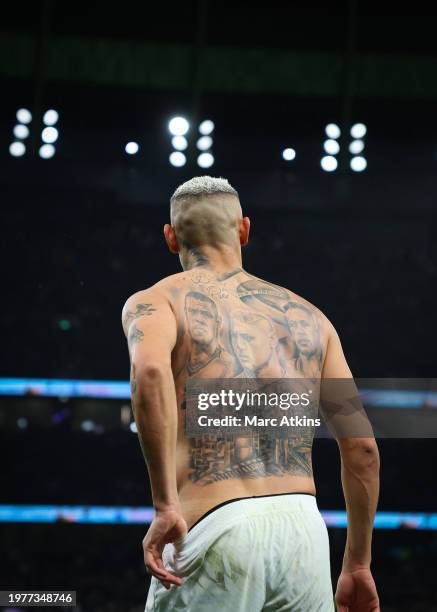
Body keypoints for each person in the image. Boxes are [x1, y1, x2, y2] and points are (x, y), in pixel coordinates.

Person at [121, 176, 380, 611]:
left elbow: (148, 372)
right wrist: (357, 564)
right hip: (304, 532)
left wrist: (165, 503)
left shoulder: (158, 300)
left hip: (215, 522)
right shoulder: (313, 318)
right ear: (243, 229)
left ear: (170, 237)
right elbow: (363, 448)